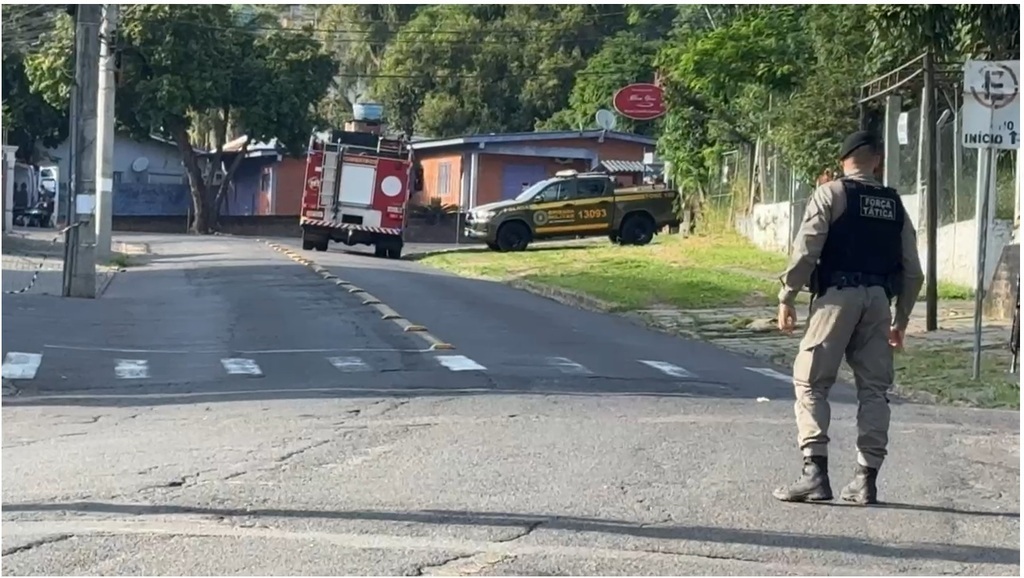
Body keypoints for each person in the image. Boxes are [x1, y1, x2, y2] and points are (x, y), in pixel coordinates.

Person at [772, 131, 924, 505]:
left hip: (835, 300)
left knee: (810, 382)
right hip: (877, 303)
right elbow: (913, 271)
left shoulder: (831, 194)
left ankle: (814, 474)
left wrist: (787, 295)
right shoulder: (893, 204)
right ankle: (865, 480)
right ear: (878, 161)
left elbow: (807, 249)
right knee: (874, 390)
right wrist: (900, 320)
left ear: (843, 161)